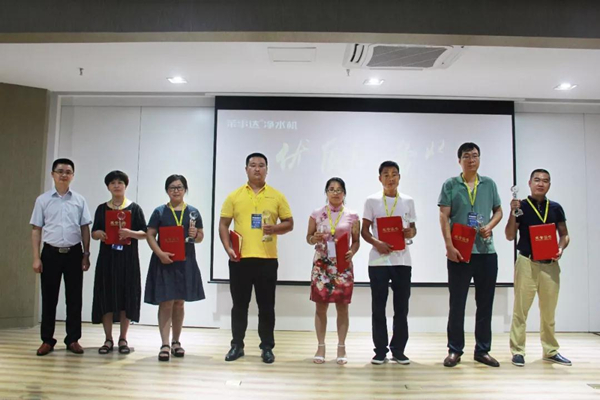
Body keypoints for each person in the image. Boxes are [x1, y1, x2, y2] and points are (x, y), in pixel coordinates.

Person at [219, 152, 293, 364]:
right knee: (239, 306)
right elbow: (223, 224)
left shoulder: (277, 196)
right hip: (239, 260)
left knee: (266, 307)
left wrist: (275, 228)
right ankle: (237, 345)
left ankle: (267, 347)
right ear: (246, 169)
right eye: (253, 165)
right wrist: (228, 248)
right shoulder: (234, 196)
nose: (257, 169)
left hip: (267, 260)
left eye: (261, 165)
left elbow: (289, 223)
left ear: (267, 170)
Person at [438, 142, 503, 367]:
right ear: (459, 161)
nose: (471, 160)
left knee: (485, 304)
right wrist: (449, 246)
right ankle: (455, 350)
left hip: (486, 252)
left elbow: (498, 211)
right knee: (457, 304)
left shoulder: (489, 184)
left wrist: (490, 226)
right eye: (467, 156)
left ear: (479, 159)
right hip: (460, 252)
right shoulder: (450, 184)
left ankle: (482, 350)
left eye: (475, 156)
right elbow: (444, 216)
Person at [505, 169, 571, 367]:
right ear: (529, 183)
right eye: (537, 180)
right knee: (520, 310)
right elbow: (509, 235)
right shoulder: (521, 206)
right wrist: (512, 212)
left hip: (550, 265)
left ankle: (550, 351)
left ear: (549, 184)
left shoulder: (556, 208)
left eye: (545, 180)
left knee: (549, 312)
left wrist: (560, 248)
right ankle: (518, 351)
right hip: (527, 263)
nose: (541, 184)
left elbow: (564, 235)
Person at [30, 158, 92, 356]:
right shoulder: (43, 200)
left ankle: (73, 339)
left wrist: (86, 254)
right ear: (53, 174)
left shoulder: (79, 200)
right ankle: (47, 340)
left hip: (74, 253)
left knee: (74, 298)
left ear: (73, 176)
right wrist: (36, 258)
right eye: (60, 171)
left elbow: (85, 228)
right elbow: (36, 229)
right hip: (50, 253)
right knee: (49, 298)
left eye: (68, 172)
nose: (64, 175)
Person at [144, 174, 205, 362]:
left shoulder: (193, 212)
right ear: (167, 190)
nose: (176, 191)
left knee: (179, 302)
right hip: (165, 262)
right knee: (166, 302)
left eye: (179, 187)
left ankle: (176, 342)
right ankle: (164, 344)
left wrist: (195, 235)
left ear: (185, 189)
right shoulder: (159, 212)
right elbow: (150, 235)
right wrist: (160, 253)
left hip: (185, 261)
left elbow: (200, 237)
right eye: (172, 187)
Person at [361, 161, 416, 365]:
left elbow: (413, 229)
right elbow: (364, 231)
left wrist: (411, 232)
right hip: (378, 261)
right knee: (378, 307)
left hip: (402, 261)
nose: (390, 178)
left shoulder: (408, 201)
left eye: (394, 174)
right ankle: (380, 350)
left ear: (399, 177)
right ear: (380, 178)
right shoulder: (372, 201)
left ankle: (399, 350)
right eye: (386, 174)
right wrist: (377, 243)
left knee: (401, 308)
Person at [91, 170, 147, 355]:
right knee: (106, 297)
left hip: (128, 260)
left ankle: (123, 338)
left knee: (126, 297)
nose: (116, 186)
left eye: (120, 182)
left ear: (125, 185)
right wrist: (98, 234)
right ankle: (108, 339)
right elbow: (94, 232)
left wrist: (130, 233)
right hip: (107, 260)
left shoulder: (134, 208)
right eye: (113, 183)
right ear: (108, 187)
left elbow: (145, 233)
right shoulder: (102, 208)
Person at [306, 177, 360, 365]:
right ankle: (320, 346)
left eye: (339, 190)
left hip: (343, 266)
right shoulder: (317, 214)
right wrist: (314, 238)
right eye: (331, 189)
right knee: (320, 307)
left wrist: (352, 252)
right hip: (322, 265)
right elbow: (308, 238)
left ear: (344, 193)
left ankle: (341, 347)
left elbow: (356, 241)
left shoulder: (353, 215)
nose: (335, 193)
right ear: (326, 192)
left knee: (342, 307)